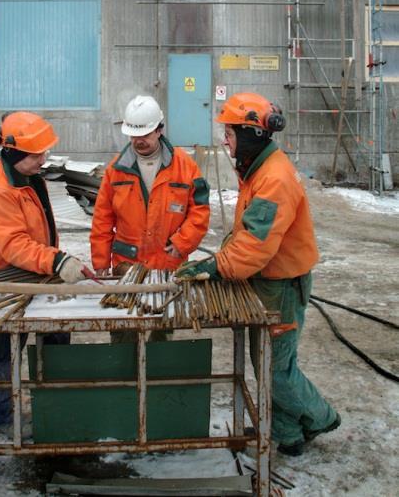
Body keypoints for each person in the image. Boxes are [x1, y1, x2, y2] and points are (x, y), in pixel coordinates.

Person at [175, 92, 341, 457]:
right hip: (267, 278)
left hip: (280, 284)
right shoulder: (258, 167)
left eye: (230, 133)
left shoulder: (274, 178)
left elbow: (255, 245)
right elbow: (250, 234)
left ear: (250, 134)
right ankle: (289, 434)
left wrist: (216, 266)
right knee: (265, 362)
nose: (225, 140)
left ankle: (319, 417)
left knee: (276, 369)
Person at [0, 111, 87, 428]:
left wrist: (54, 258)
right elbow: (14, 245)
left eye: (44, 151)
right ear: (14, 151)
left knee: (56, 335)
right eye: (37, 154)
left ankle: (51, 404)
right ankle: (3, 418)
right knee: (5, 350)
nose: (43, 159)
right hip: (3, 281)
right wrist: (56, 261)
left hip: (35, 273)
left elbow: (38, 233)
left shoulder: (29, 176)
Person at [90, 95, 210, 276]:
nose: (139, 141)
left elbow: (200, 211)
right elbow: (102, 219)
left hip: (168, 264)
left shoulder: (185, 166)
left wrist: (183, 242)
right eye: (134, 135)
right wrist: (101, 262)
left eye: (145, 135)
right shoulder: (116, 170)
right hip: (127, 267)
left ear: (159, 130)